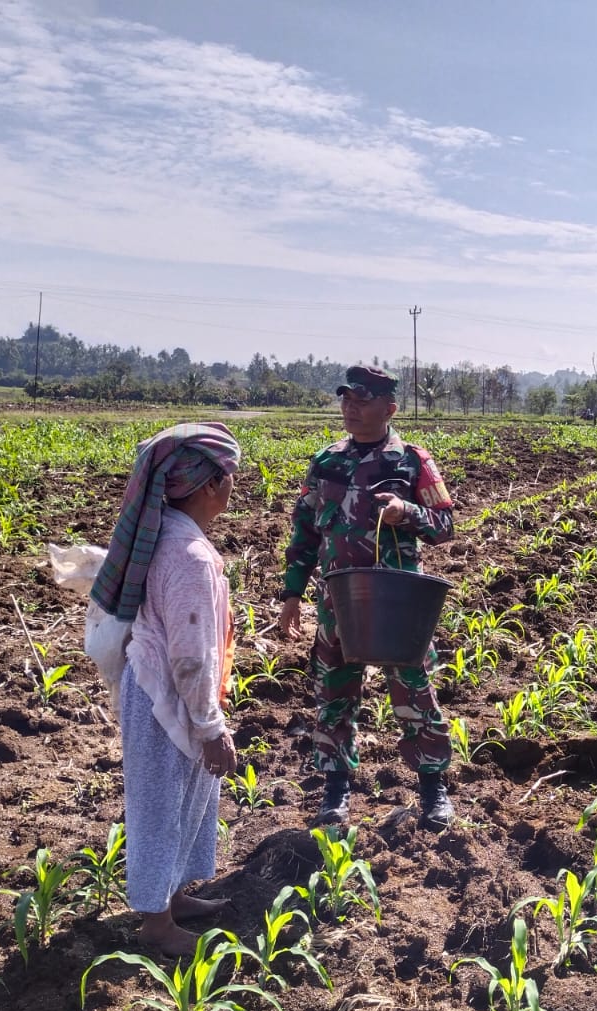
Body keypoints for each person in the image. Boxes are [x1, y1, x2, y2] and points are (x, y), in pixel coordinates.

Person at [278, 364, 457, 829]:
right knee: (334, 695)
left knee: (413, 693)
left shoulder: (412, 460)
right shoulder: (326, 461)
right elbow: (304, 532)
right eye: (345, 398)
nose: (350, 407)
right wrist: (292, 594)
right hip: (339, 598)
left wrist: (407, 512)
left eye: (361, 399)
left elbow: (444, 526)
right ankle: (335, 790)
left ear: (389, 407)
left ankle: (433, 789)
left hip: (398, 601)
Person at [91, 423, 242, 956]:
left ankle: (173, 896)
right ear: (208, 485)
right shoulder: (189, 556)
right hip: (167, 697)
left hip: (168, 690)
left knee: (189, 796)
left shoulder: (171, 537)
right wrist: (209, 726)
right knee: (160, 804)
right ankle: (156, 924)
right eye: (229, 476)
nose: (233, 485)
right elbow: (190, 654)